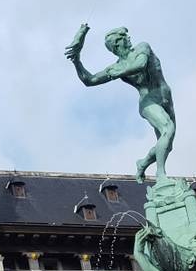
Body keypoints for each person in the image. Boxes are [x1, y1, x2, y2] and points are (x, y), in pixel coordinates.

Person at [65, 24, 175, 183]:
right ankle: (161, 175)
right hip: (148, 101)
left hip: (166, 97)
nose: (129, 38)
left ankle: (143, 163)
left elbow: (140, 64)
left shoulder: (142, 48)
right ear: (117, 44)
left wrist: (120, 73)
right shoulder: (115, 67)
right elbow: (89, 81)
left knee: (167, 144)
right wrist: (76, 61)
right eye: (125, 37)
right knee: (167, 128)